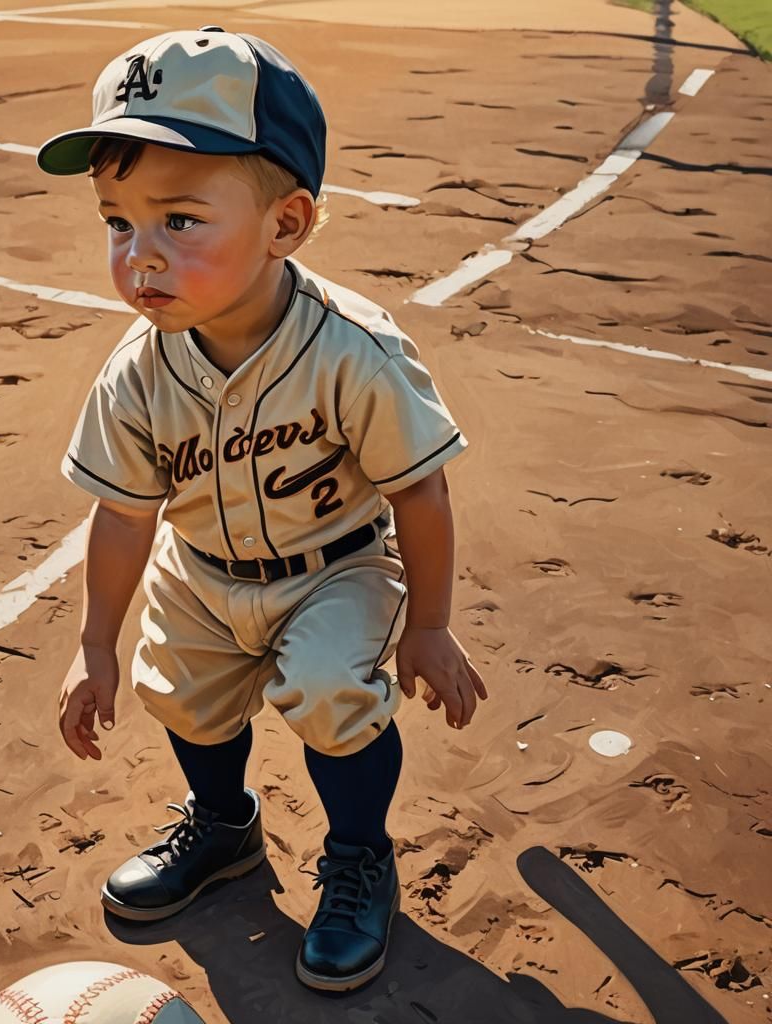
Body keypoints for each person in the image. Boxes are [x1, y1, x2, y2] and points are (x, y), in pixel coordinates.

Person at [40, 25, 488, 993]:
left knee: (331, 688)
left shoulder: (351, 351)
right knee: (182, 688)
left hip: (334, 566)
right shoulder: (138, 371)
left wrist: (431, 624)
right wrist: (94, 642)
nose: (140, 257)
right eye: (118, 223)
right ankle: (224, 824)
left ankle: (360, 853)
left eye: (179, 221)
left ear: (286, 224)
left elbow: (419, 484)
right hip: (202, 572)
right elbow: (122, 517)